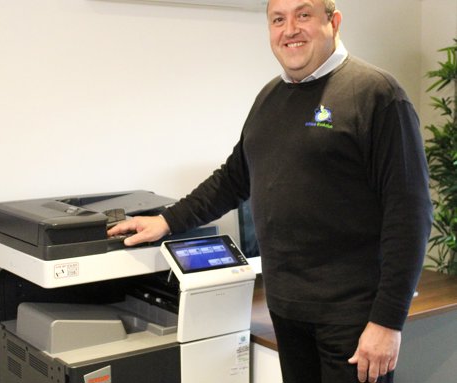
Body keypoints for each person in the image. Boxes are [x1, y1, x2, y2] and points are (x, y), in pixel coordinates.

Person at [108, 0, 433, 382]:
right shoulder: (269, 98)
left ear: (334, 22)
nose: (290, 29)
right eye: (278, 19)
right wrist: (166, 221)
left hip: (352, 317)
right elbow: (232, 179)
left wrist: (387, 321)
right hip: (288, 310)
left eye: (304, 15)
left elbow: (410, 214)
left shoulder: (377, 94)